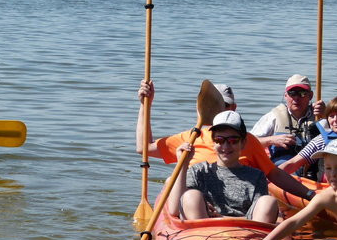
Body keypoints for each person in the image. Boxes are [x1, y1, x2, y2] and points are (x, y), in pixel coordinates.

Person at [135, 79, 317, 201]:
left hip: (237, 207)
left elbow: (275, 174)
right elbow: (143, 148)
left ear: (233, 108)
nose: (221, 110)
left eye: (226, 105)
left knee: (268, 203)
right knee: (173, 184)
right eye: (216, 105)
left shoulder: (249, 141)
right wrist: (146, 105)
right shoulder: (191, 138)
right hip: (198, 209)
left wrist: (309, 194)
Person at [168, 111, 279, 222]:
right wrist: (182, 164)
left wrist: (221, 218)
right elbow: (174, 210)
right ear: (213, 143)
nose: (225, 146)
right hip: (202, 232)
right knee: (191, 196)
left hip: (244, 231)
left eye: (233, 141)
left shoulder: (256, 176)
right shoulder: (199, 171)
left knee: (268, 201)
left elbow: (259, 215)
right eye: (219, 140)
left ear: (243, 143)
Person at [250, 74, 325, 173]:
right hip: (283, 172)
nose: (296, 98)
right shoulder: (274, 116)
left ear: (310, 96)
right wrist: (271, 140)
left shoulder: (319, 115)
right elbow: (248, 142)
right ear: (285, 96)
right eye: (292, 93)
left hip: (314, 171)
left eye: (302, 93)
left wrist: (326, 115)